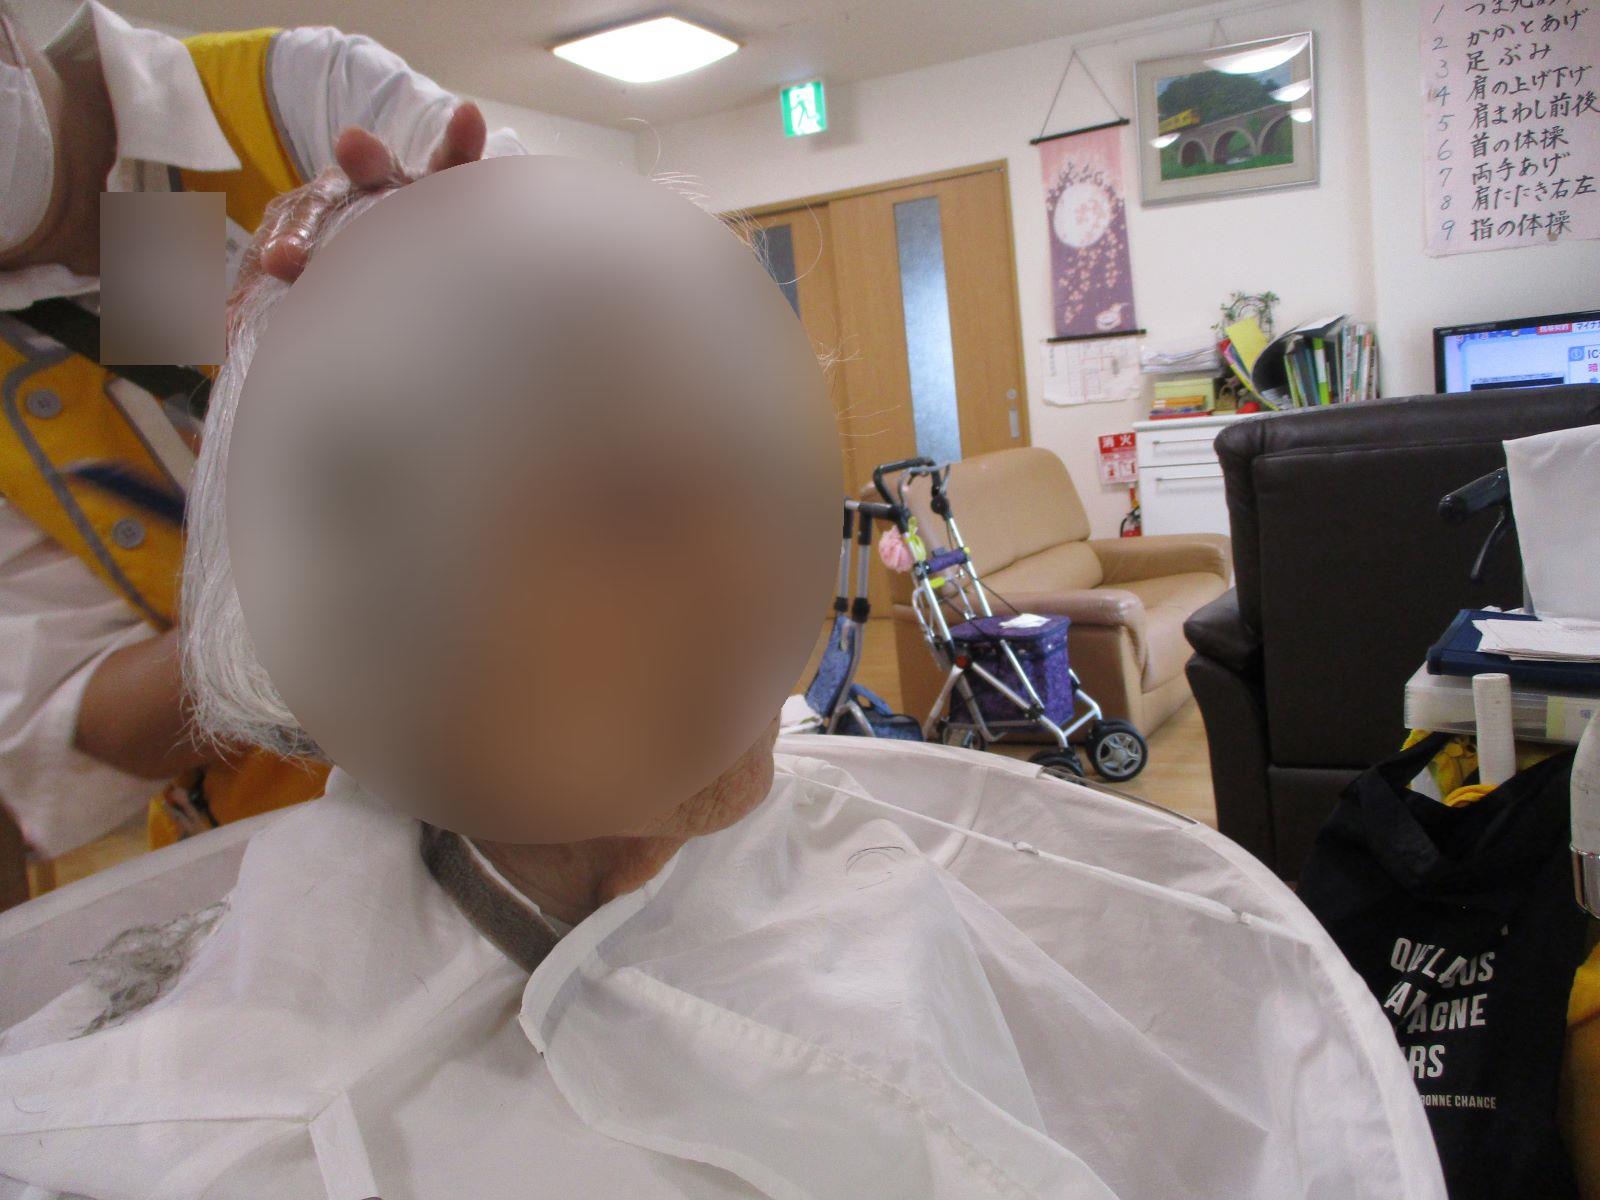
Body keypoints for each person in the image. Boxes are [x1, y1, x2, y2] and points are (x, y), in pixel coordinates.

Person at [0, 155, 1446, 1200]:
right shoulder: (166, 1125)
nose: (742, 541)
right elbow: (64, 727)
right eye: (629, 499)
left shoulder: (264, 100)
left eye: (748, 452)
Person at [0, 0, 524, 866]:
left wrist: (483, 289)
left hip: (543, 741)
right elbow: (87, 718)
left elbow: (619, 358)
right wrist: (335, 569)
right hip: (291, 850)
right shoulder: (106, 266)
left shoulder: (290, 100)